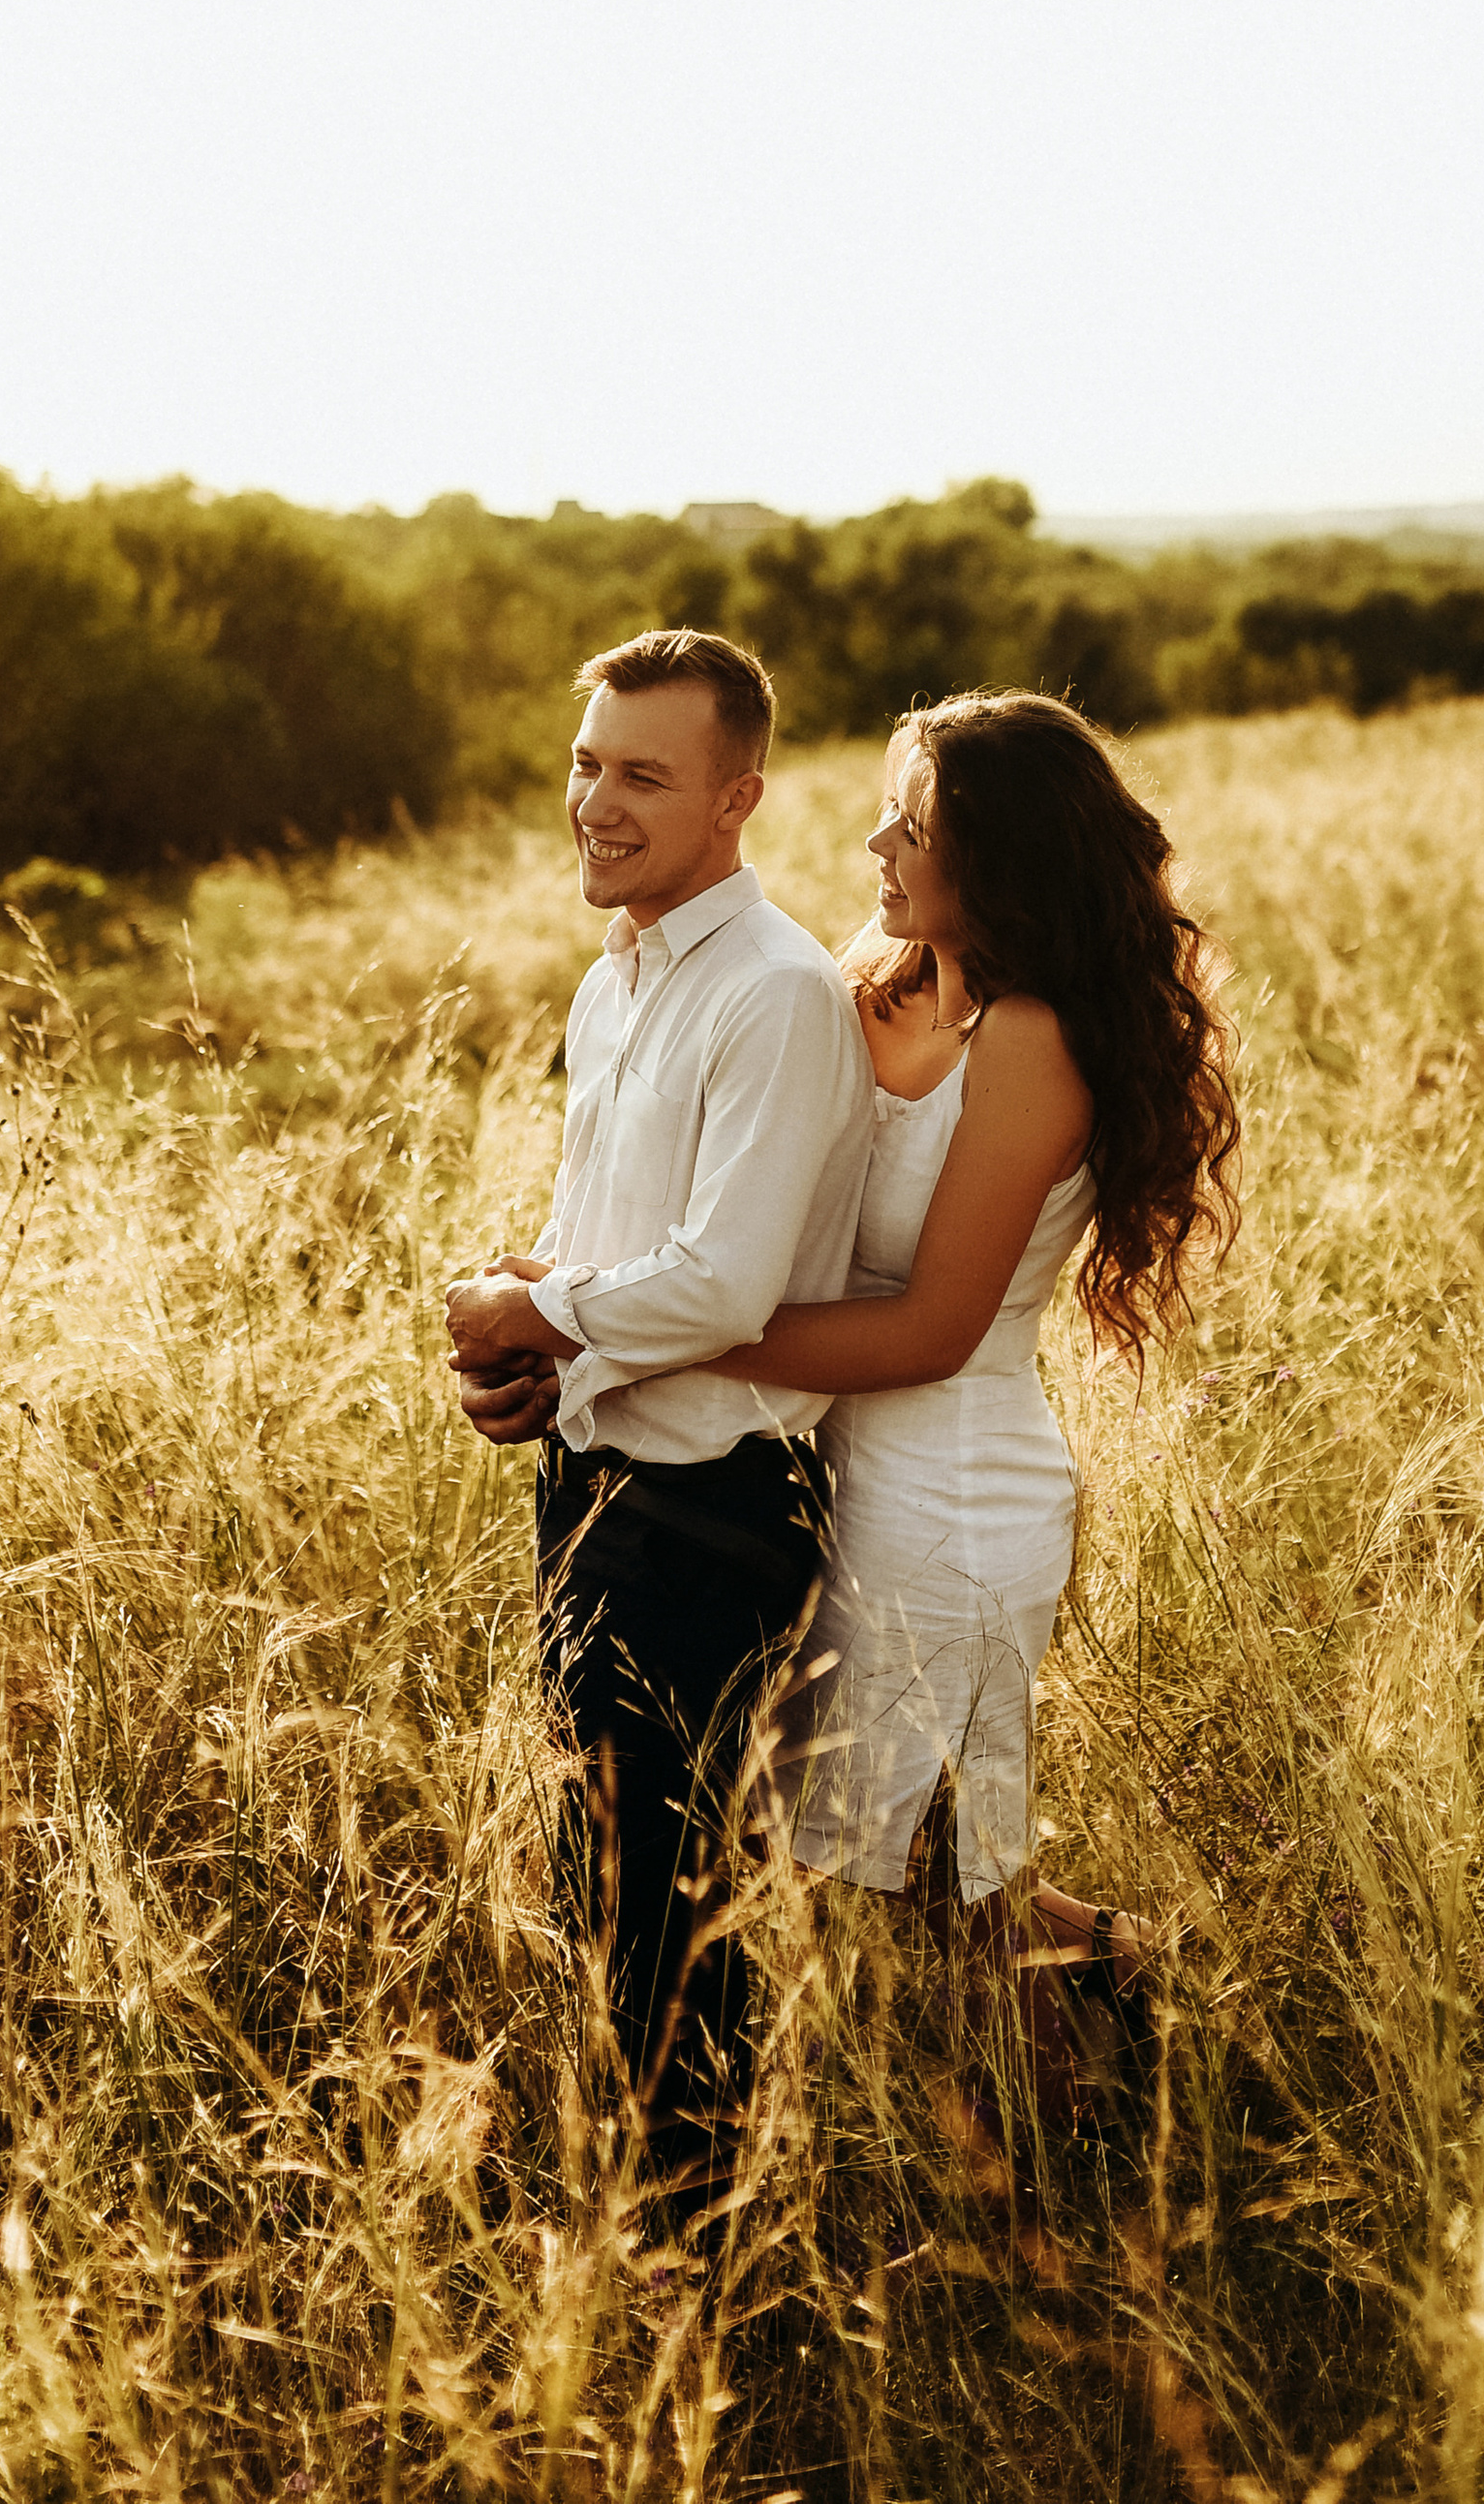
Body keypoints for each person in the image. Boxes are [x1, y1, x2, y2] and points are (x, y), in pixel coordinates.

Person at [698, 689, 1241, 2115]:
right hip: (841, 1474)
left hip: (949, 1493)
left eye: (916, 825)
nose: (876, 838)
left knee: (953, 1880)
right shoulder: (884, 969)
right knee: (923, 1857)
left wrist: (676, 1340)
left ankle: (1074, 2184)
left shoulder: (1032, 1042)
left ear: (1001, 862)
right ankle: (1140, 1975)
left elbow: (936, 1327)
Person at [446, 629, 874, 2190]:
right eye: (585, 763)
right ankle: (654, 2215)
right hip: (593, 1488)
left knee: (675, 1914)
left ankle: (701, 2259)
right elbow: (620, 1252)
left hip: (716, 1514)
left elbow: (728, 1285)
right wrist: (532, 1337)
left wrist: (549, 1318)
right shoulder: (613, 980)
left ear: (736, 799)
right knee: (604, 1879)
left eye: (643, 776)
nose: (596, 804)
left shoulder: (774, 994)